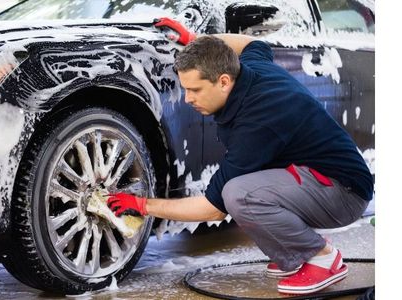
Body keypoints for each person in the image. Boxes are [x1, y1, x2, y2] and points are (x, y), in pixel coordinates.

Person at [106, 18, 373, 295]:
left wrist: (142, 205)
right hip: (317, 178)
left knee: (238, 194)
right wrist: (197, 41)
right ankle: (294, 255)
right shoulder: (249, 68)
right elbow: (253, 43)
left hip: (344, 194)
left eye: (195, 90)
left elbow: (214, 207)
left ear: (223, 81)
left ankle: (323, 257)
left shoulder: (258, 122)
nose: (187, 99)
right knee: (241, 190)